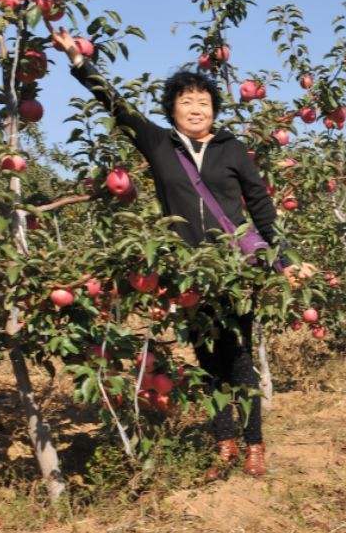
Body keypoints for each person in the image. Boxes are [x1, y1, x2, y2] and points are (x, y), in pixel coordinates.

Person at [53, 29, 310, 479]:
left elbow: (261, 206)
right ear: (172, 108)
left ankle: (254, 444)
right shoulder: (158, 144)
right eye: (187, 102)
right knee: (207, 356)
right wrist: (79, 61)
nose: (196, 109)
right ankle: (224, 442)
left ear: (215, 110)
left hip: (236, 268)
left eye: (204, 102)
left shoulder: (231, 148)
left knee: (240, 356)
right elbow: (117, 106)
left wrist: (284, 258)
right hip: (189, 271)